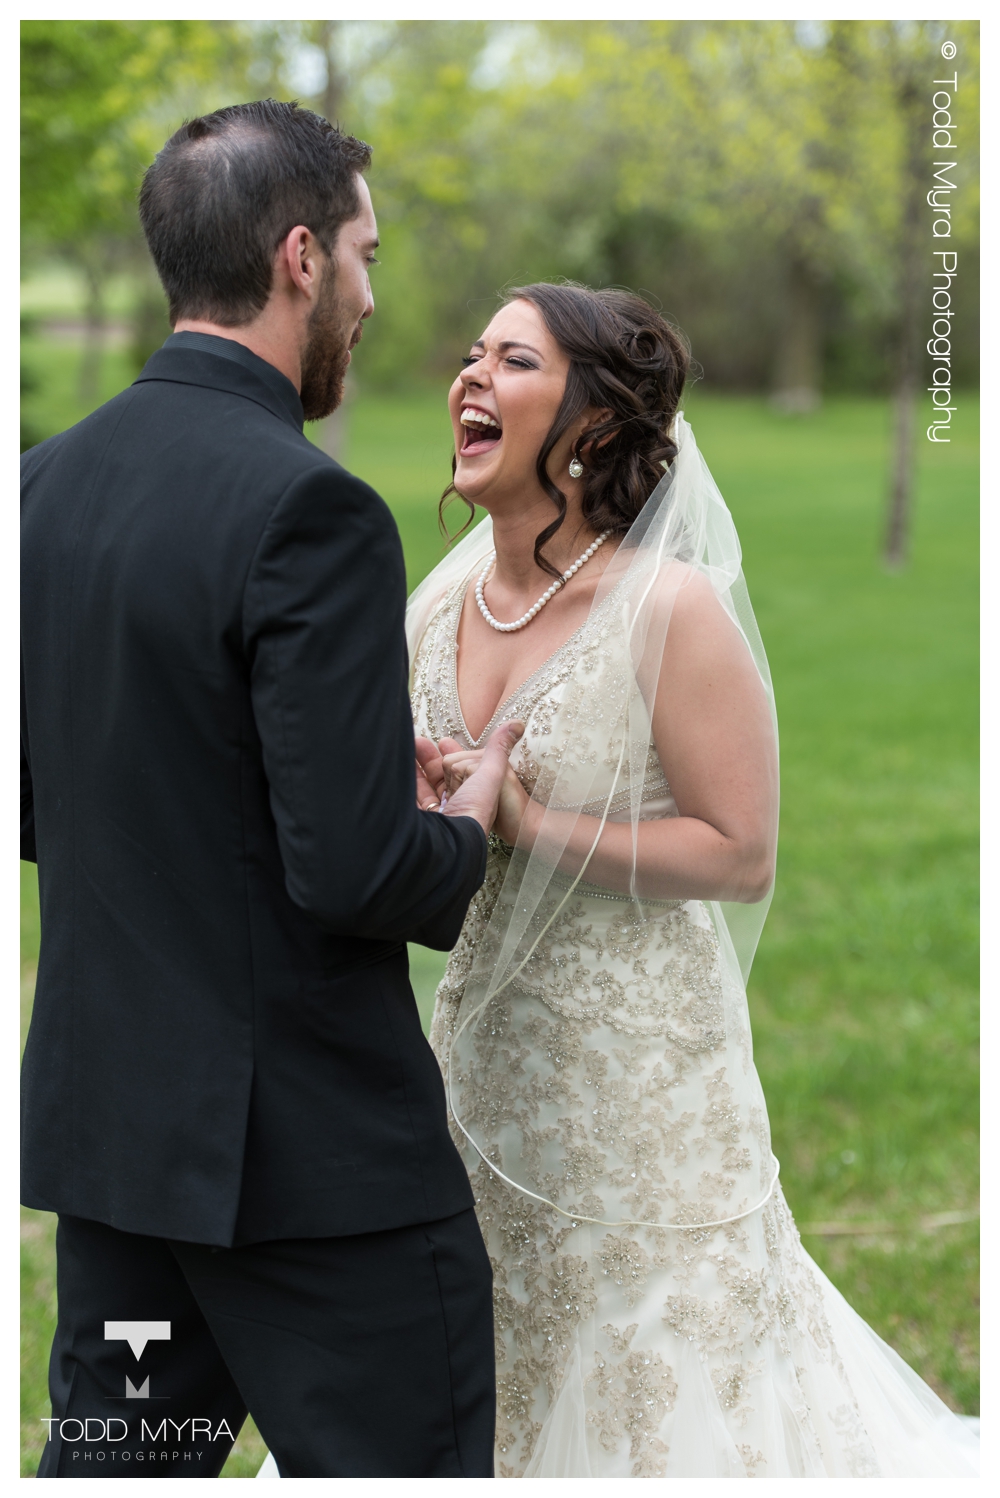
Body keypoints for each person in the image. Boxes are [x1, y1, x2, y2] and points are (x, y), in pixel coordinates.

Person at [21, 100, 521, 1479]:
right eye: (365, 254)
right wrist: (460, 822)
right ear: (300, 257)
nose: (371, 292)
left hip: (118, 1146)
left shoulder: (36, 488)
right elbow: (354, 870)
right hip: (315, 1173)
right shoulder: (311, 508)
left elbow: (38, 799)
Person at [407, 282, 980, 1478]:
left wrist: (527, 817)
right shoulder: (434, 606)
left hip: (643, 1084)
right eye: (471, 356)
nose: (470, 377)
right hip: (480, 1066)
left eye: (512, 360)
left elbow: (739, 850)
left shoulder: (667, 609)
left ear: (599, 428)